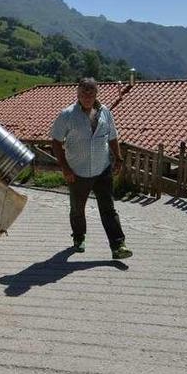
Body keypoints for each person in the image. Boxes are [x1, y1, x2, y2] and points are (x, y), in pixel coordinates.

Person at [50, 77, 133, 259]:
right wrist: (65, 168)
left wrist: (118, 158)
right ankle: (79, 237)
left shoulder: (105, 113)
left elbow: (112, 137)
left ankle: (118, 245)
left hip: (102, 169)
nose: (87, 96)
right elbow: (56, 142)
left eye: (90, 92)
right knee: (78, 209)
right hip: (77, 171)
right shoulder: (67, 115)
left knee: (108, 209)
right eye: (83, 93)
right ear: (77, 94)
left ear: (96, 94)